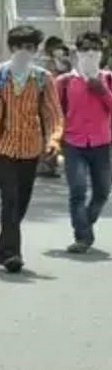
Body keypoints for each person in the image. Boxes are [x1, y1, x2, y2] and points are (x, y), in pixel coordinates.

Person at [0, 25, 62, 273]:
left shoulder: (43, 78)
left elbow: (53, 114)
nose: (24, 52)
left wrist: (53, 140)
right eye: (19, 47)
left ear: (35, 50)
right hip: (1, 146)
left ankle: (3, 248)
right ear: (11, 48)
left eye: (30, 48)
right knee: (10, 197)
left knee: (22, 201)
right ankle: (13, 253)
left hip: (30, 148)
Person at [58, 32, 112, 253]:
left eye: (95, 49)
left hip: (101, 143)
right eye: (86, 49)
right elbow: (55, 111)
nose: (90, 53)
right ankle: (82, 236)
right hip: (73, 143)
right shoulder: (65, 81)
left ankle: (85, 221)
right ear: (77, 52)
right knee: (78, 190)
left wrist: (103, 92)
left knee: (102, 191)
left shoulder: (108, 79)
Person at [37, 36, 72, 178]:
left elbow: (67, 74)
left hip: (62, 103)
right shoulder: (44, 63)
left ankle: (52, 164)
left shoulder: (66, 63)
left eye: (60, 48)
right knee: (45, 133)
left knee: (56, 134)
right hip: (46, 102)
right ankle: (43, 165)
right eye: (56, 48)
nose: (59, 51)